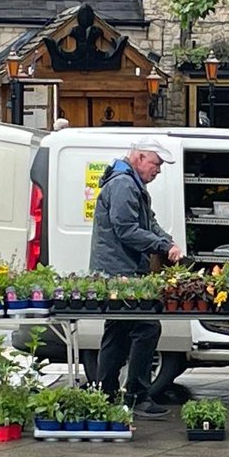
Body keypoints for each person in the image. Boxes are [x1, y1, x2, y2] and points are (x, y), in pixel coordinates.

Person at [90, 138, 183, 419]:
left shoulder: (133, 184)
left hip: (123, 270)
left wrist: (167, 241)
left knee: (117, 332)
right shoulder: (123, 184)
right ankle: (136, 395)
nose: (158, 171)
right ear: (140, 158)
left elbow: (148, 222)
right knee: (147, 327)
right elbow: (127, 230)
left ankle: (105, 395)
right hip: (120, 272)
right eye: (156, 164)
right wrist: (163, 247)